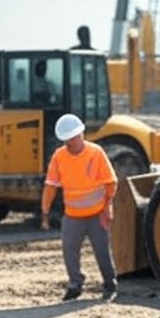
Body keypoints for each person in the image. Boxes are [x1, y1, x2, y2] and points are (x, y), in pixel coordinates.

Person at [40, 113, 118, 301]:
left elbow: (111, 182)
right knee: (69, 249)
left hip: (97, 214)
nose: (71, 142)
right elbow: (50, 186)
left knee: (101, 250)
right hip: (73, 216)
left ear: (82, 134)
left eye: (74, 138)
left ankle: (110, 284)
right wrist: (45, 213)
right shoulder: (59, 156)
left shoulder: (96, 153)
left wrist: (107, 207)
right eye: (68, 139)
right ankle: (75, 283)